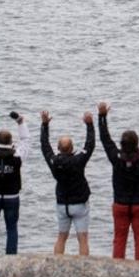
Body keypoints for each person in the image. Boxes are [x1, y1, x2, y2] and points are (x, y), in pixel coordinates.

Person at [98, 100, 139, 260]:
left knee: (119, 239)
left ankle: (117, 268)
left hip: (120, 204)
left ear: (122, 144)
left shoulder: (116, 157)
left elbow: (105, 140)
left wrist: (102, 117)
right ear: (137, 143)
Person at [40, 109, 95, 255]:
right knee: (83, 239)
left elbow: (45, 146)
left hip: (62, 204)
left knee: (61, 237)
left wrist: (44, 125)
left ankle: (57, 265)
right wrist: (90, 125)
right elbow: (90, 146)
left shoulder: (54, 161)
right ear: (72, 148)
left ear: (58, 148)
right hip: (79, 205)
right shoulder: (78, 160)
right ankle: (84, 267)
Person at [0, 110, 30, 256]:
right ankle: (11, 255)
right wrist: (20, 122)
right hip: (12, 196)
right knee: (11, 227)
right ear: (11, 142)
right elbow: (26, 140)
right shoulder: (18, 155)